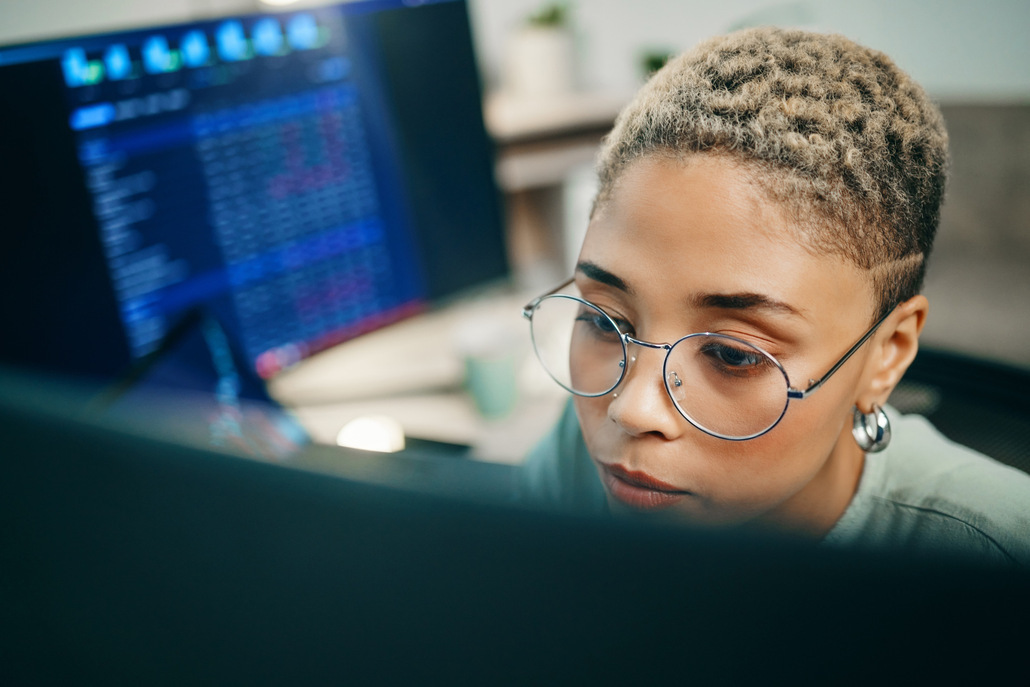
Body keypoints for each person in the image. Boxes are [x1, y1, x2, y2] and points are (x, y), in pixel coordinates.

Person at [518, 27, 1030, 567]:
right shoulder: (577, 459)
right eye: (606, 323)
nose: (630, 409)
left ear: (886, 354)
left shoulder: (996, 560)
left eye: (733, 354)